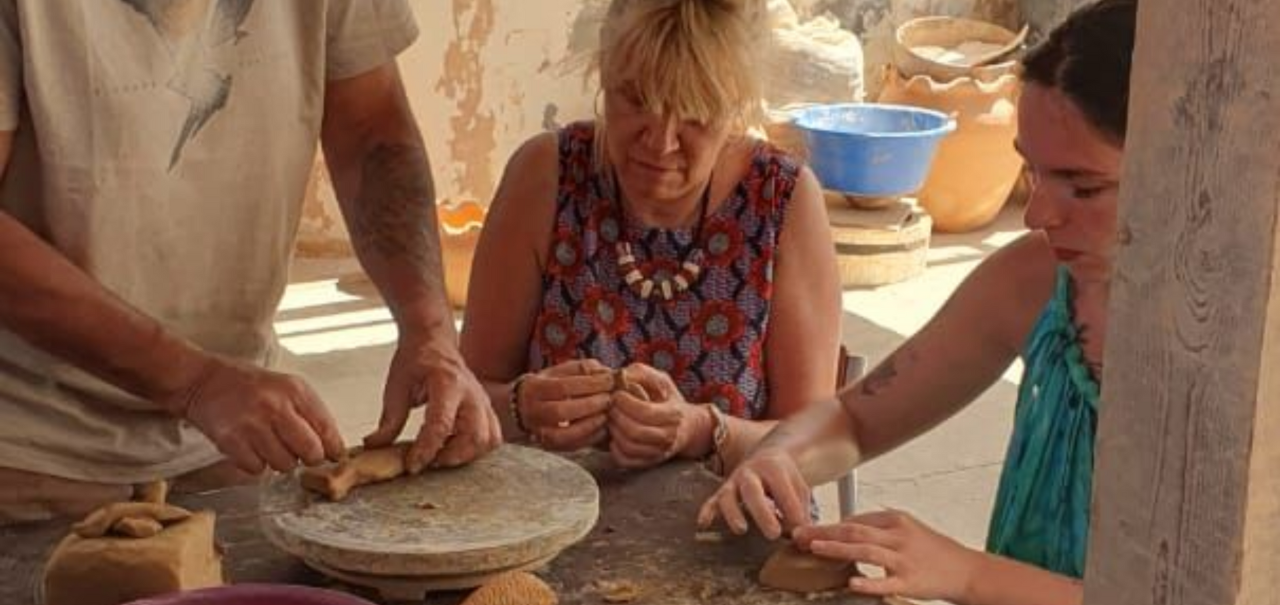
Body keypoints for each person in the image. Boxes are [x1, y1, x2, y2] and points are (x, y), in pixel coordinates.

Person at [699, 1, 1137, 603]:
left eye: (1083, 186)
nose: (1037, 214)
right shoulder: (1037, 282)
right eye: (1033, 173)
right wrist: (778, 457)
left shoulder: (1248, 364)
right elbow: (856, 419)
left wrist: (970, 574)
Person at [0, 0, 500, 524]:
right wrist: (195, 383)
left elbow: (372, 130)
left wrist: (430, 333)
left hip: (232, 445)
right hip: (34, 453)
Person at [460, 0, 842, 473]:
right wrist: (522, 406)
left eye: (696, 114)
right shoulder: (547, 177)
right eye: (636, 99)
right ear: (603, 76)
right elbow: (466, 397)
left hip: (728, 523)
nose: (660, 142)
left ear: (736, 108)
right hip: (548, 517)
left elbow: (816, 445)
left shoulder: (780, 200)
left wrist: (702, 431)